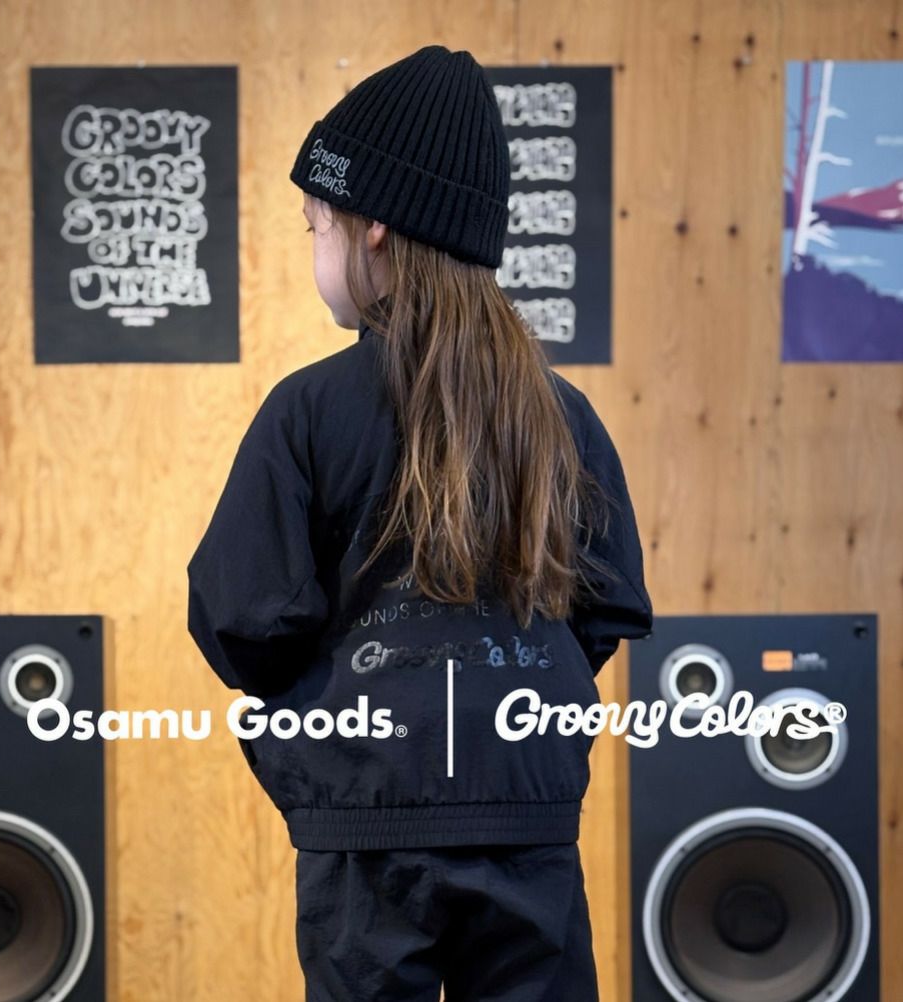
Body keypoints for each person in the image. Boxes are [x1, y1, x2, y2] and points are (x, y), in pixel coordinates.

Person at [187, 43, 653, 1002]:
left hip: (367, 825)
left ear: (373, 232)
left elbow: (244, 620)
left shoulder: (308, 411)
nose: (313, 249)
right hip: (527, 813)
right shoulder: (561, 414)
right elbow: (606, 612)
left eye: (314, 225)